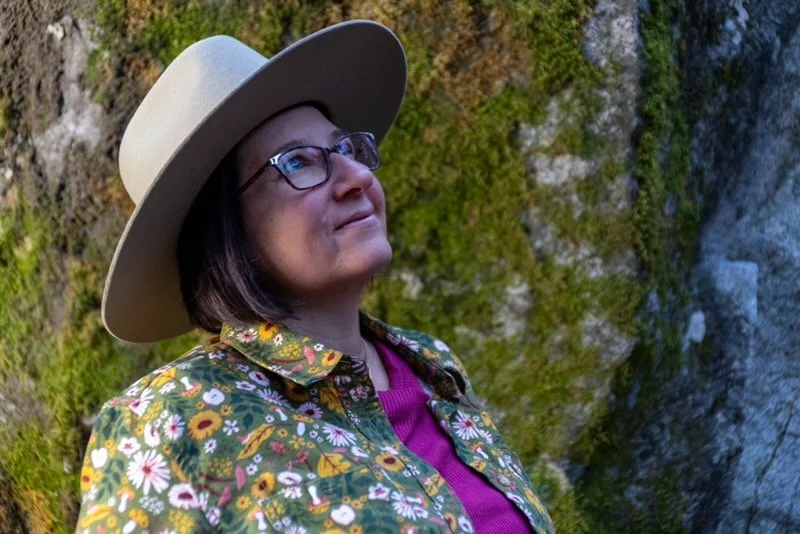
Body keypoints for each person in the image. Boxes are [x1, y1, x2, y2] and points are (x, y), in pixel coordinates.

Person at [76, 20, 555, 534]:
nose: (359, 178)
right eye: (298, 162)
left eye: (347, 149)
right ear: (223, 230)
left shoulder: (432, 366)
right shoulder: (168, 422)